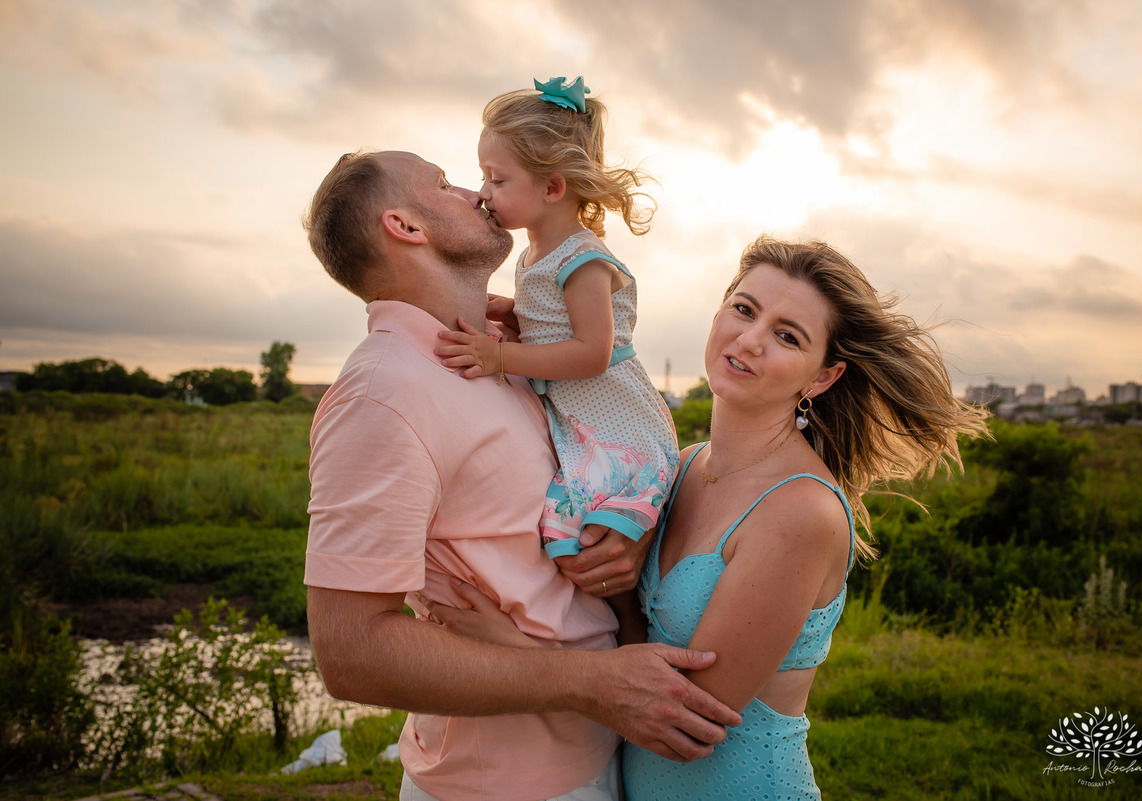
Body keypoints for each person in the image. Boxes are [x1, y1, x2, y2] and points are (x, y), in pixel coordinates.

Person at [428, 236, 989, 800]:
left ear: (821, 378)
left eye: (787, 336)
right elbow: (632, 639)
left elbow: (683, 724)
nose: (749, 339)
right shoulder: (684, 465)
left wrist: (515, 653)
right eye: (743, 309)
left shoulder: (801, 511)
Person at [301, 149, 740, 801]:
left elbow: (597, 474)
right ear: (406, 226)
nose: (477, 192)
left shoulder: (511, 358)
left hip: (599, 750)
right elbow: (351, 654)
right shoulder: (384, 393)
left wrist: (629, 539)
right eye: (444, 184)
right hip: (501, 783)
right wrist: (593, 682)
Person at [434, 76, 679, 561]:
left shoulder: (582, 260)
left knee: (584, 543)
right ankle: (615, 630)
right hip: (582, 424)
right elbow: (556, 326)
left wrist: (499, 355)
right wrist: (515, 312)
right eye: (484, 177)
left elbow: (592, 353)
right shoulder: (535, 254)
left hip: (617, 427)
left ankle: (629, 631)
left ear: (552, 187)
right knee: (568, 540)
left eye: (497, 179)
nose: (483, 193)